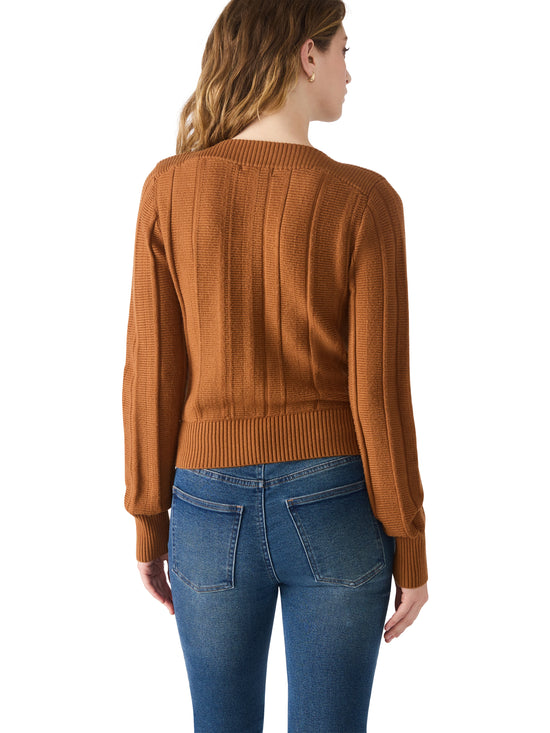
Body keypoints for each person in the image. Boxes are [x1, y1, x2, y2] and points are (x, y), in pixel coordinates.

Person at [122, 0, 429, 730]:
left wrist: (149, 521)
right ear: (306, 54)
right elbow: (379, 395)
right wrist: (410, 542)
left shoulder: (170, 188)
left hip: (206, 508)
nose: (350, 72)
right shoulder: (365, 200)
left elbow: (151, 371)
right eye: (344, 50)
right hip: (336, 502)